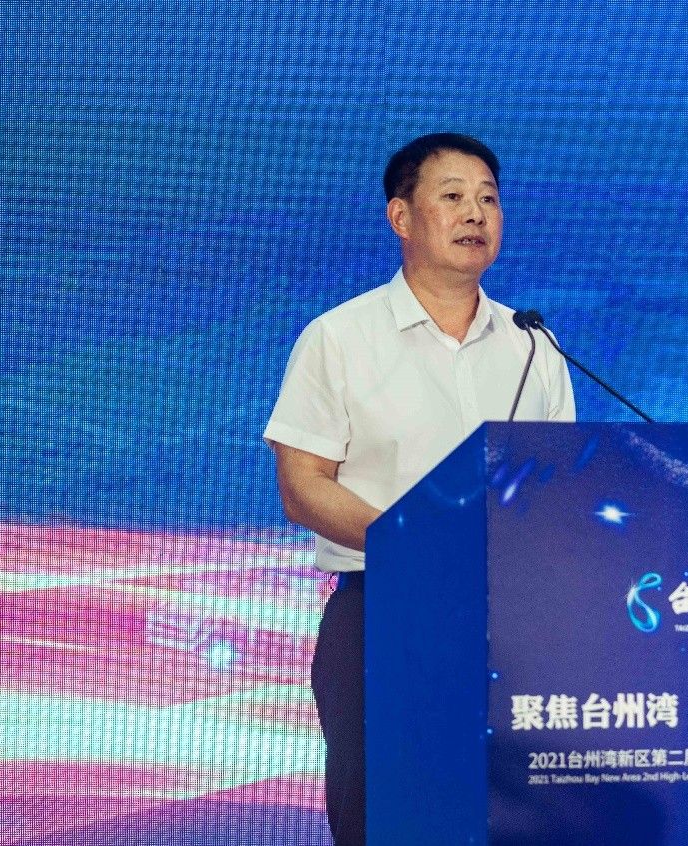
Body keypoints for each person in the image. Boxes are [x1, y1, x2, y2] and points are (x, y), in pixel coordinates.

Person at [263, 132, 575, 846]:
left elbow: (558, 486)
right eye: (453, 196)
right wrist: (420, 545)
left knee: (514, 820)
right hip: (384, 613)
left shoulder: (534, 346)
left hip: (512, 623)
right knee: (386, 819)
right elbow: (303, 487)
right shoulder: (339, 338)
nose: (476, 214)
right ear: (400, 217)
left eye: (489, 199)